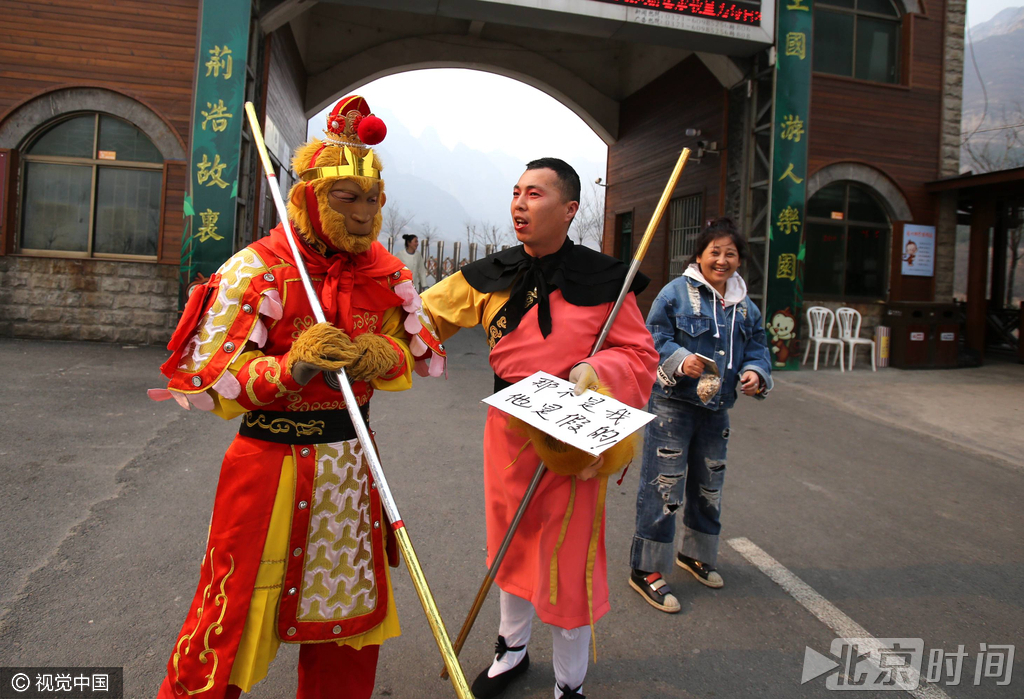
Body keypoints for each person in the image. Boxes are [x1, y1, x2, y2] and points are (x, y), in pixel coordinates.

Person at [149, 95, 443, 699]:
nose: (364, 215)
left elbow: (412, 349)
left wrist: (376, 354)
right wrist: (293, 367)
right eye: (347, 198)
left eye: (372, 200)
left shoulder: (387, 273)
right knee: (229, 621)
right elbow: (212, 376)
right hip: (267, 471)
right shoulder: (257, 269)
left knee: (347, 626)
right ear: (309, 195)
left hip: (349, 470)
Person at [419, 158, 658, 699]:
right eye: (516, 192)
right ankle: (512, 650)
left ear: (570, 209)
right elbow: (420, 317)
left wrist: (597, 370)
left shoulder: (606, 282)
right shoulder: (490, 274)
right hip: (507, 431)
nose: (520, 204)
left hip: (573, 436)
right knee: (512, 542)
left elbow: (641, 354)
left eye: (535, 194)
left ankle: (570, 680)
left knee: (568, 556)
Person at [628, 217, 772, 613]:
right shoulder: (675, 294)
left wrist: (755, 373)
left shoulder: (746, 308)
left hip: (718, 408)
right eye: (715, 252)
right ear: (700, 256)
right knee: (664, 485)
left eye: (730, 253)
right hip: (672, 406)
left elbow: (759, 347)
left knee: (710, 484)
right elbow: (651, 338)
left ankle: (694, 554)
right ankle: (646, 569)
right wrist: (680, 359)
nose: (722, 260)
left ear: (739, 260)